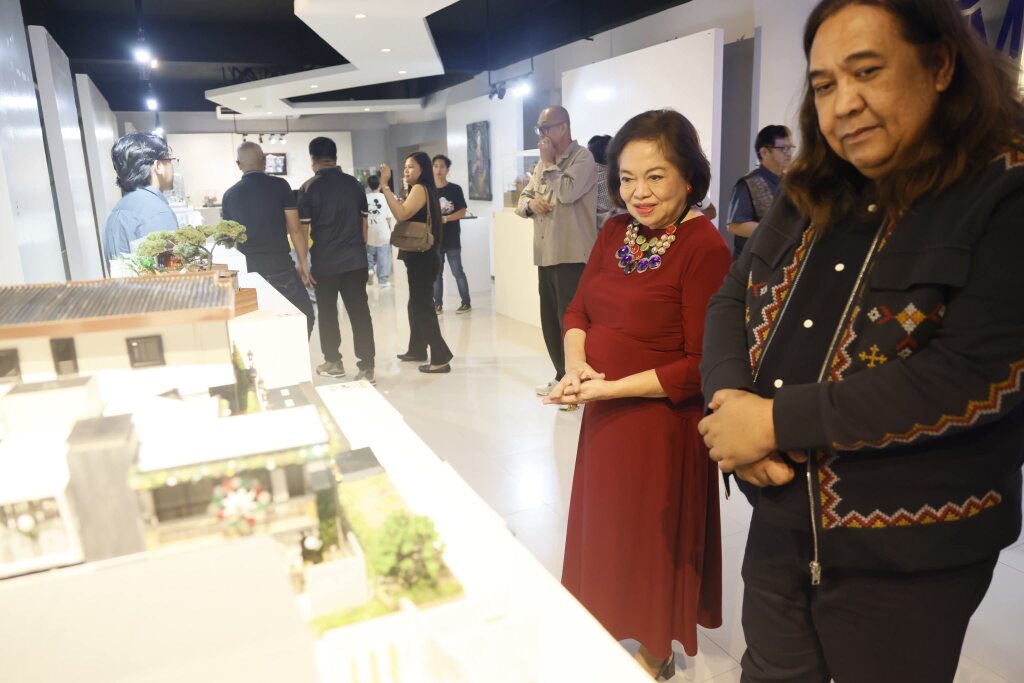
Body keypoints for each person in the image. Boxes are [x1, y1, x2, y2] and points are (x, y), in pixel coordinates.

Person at [697, 1, 1024, 681]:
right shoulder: (810, 186)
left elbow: (973, 377)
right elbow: (733, 294)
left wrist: (773, 422)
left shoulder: (1004, 189)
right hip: (783, 518)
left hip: (911, 551)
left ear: (940, 64)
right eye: (824, 84)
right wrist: (730, 399)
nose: (844, 103)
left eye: (867, 71)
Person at [546, 110, 730, 679]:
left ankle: (656, 648)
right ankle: (603, 626)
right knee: (605, 531)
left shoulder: (704, 247)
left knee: (651, 542)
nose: (638, 193)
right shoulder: (614, 232)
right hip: (605, 420)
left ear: (688, 177)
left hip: (662, 427)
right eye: (627, 178)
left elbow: (699, 365)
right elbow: (578, 309)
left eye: (655, 176)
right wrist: (577, 367)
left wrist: (610, 388)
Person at [515, 106, 599, 400]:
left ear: (564, 127)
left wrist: (549, 163)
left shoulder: (583, 158)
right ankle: (561, 374)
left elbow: (567, 193)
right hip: (545, 253)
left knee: (571, 322)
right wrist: (531, 205)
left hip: (571, 255)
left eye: (545, 128)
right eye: (539, 128)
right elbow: (523, 199)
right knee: (550, 320)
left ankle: (577, 381)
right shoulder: (543, 164)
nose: (541, 134)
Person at [297, 137, 376, 384]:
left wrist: (303, 263)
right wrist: (357, 250)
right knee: (360, 313)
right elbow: (364, 226)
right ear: (335, 157)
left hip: (326, 263)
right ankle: (367, 367)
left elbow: (303, 231)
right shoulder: (355, 185)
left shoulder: (309, 188)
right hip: (355, 260)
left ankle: (333, 362)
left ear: (312, 160)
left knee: (328, 313)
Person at [221, 142, 315, 337]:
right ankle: (291, 354)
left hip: (248, 272)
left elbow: (228, 241)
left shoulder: (229, 195)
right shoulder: (280, 186)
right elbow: (295, 229)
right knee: (304, 317)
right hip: (281, 268)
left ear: (238, 164)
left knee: (261, 325)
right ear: (264, 160)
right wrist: (303, 263)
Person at [378, 153, 454, 374]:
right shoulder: (420, 189)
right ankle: (417, 349)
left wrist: (385, 186)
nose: (406, 170)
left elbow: (401, 214)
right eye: (405, 166)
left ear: (422, 170)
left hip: (423, 258)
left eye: (411, 166)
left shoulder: (420, 188)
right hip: (422, 256)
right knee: (416, 305)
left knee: (422, 307)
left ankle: (441, 357)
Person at [102, 132, 179, 260]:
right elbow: (171, 267)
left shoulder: (120, 207)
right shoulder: (156, 211)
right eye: (170, 160)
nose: (172, 167)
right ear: (158, 166)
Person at [725, 125, 793, 260]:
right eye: (783, 149)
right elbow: (735, 226)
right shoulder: (748, 183)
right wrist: (777, 231)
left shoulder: (791, 182)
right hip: (752, 262)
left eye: (790, 148)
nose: (788, 153)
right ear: (764, 152)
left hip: (781, 259)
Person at [431, 154, 471, 314]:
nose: (438, 169)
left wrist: (446, 218)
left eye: (442, 166)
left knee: (457, 271)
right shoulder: (428, 190)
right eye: (435, 166)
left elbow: (462, 211)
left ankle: (466, 302)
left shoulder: (455, 189)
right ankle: (437, 304)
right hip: (435, 238)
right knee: (436, 274)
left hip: (452, 237)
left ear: (447, 169)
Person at [365, 175, 393, 288]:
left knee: (369, 253)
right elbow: (388, 217)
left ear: (369, 185)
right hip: (382, 231)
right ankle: (383, 280)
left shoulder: (365, 198)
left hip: (369, 230)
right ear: (380, 185)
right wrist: (390, 230)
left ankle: (370, 269)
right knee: (384, 256)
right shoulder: (385, 197)